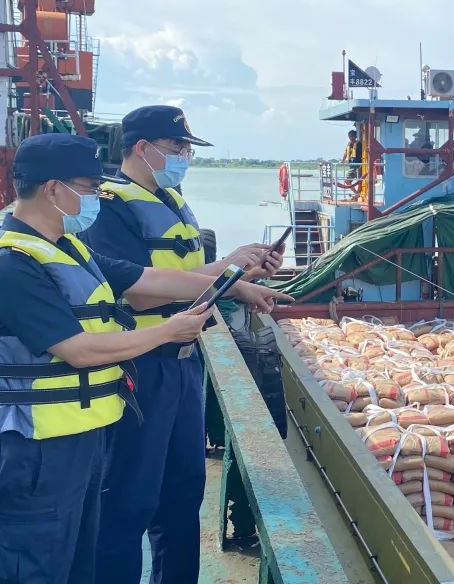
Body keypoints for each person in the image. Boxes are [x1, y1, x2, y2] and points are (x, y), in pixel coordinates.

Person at [0, 133, 288, 584]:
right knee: (37, 559)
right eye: (89, 187)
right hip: (35, 447)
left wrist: (239, 282)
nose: (97, 196)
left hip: (83, 429)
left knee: (78, 558)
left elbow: (152, 278)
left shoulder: (70, 249)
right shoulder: (14, 263)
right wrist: (167, 331)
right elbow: (77, 348)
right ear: (54, 190)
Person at [81, 105, 286, 584]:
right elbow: (134, 287)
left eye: (188, 149)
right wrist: (228, 270)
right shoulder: (112, 206)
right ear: (141, 148)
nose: (186, 157)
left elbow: (189, 281)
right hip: (140, 363)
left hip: (184, 364)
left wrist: (242, 281)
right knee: (129, 499)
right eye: (178, 148)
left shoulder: (170, 200)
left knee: (182, 494)